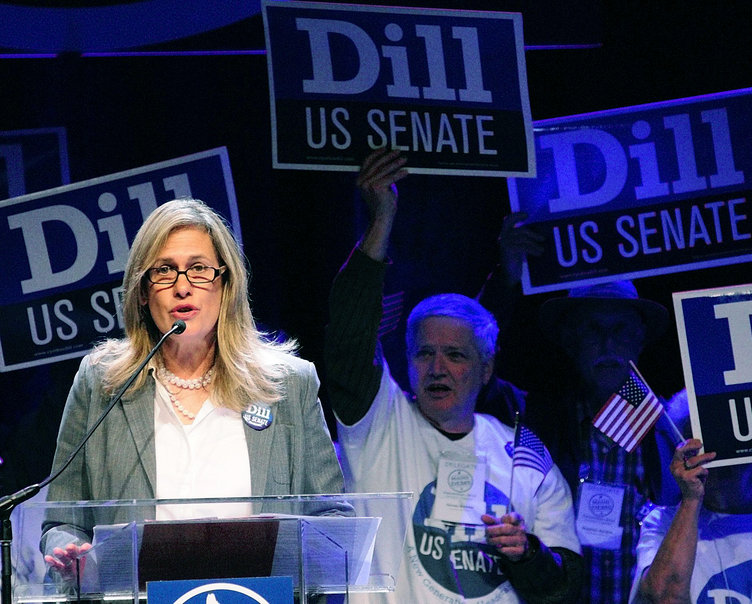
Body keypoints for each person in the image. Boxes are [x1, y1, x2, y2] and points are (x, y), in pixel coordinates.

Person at [325, 148, 583, 603]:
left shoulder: (524, 453)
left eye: (455, 355)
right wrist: (381, 220)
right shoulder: (381, 425)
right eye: (424, 353)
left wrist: (526, 554)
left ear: (486, 370)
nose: (437, 367)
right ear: (406, 362)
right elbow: (349, 334)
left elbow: (568, 588)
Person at [41, 198, 344, 576]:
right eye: (165, 271)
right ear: (141, 290)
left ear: (226, 284)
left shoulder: (287, 386)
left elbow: (331, 519)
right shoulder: (102, 383)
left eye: (199, 269)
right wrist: (70, 556)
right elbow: (62, 521)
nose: (183, 287)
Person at [478, 214, 679, 603]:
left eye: (620, 330)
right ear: (570, 341)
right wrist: (506, 275)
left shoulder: (667, 431)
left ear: (640, 340)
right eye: (592, 329)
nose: (607, 344)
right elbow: (474, 370)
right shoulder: (536, 419)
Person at [630, 390, 752, 603]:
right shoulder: (663, 523)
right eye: (700, 448)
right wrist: (691, 499)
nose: (714, 460)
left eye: (728, 444)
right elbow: (664, 597)